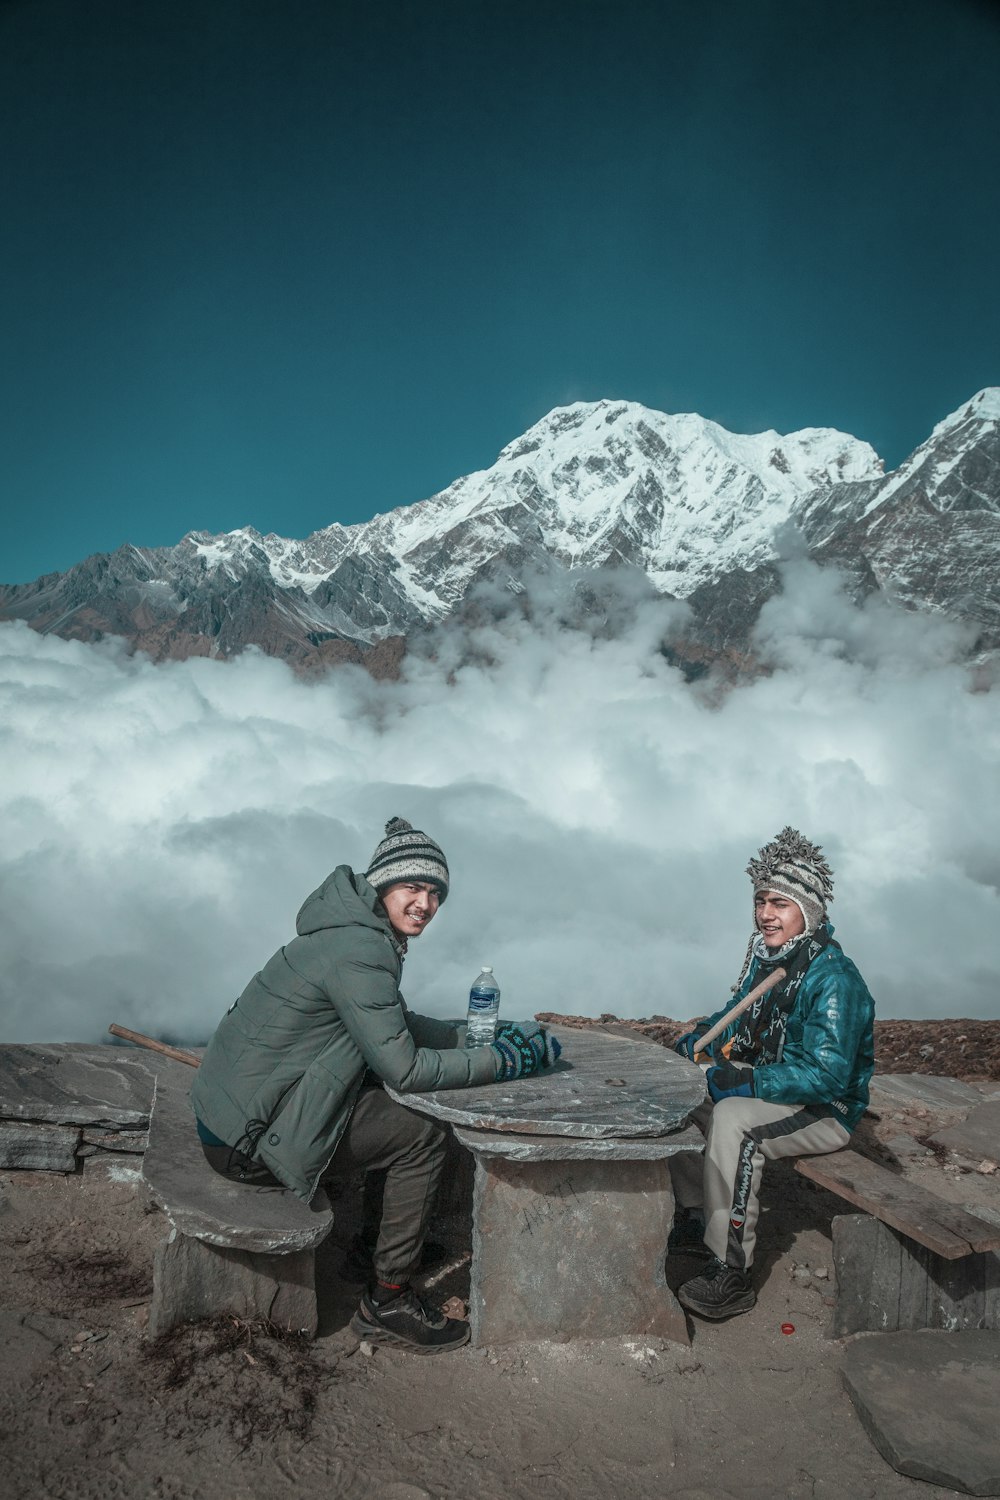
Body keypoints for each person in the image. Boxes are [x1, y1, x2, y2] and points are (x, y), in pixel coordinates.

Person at [190, 816, 561, 1354]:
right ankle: (387, 1298)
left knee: (388, 1105)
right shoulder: (361, 949)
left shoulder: (352, 933)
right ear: (382, 884)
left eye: (435, 893)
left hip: (233, 1115)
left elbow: (398, 1025)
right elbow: (405, 1069)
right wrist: (505, 1062)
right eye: (413, 887)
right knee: (424, 1130)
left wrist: (486, 1037)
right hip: (247, 1144)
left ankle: (377, 1246)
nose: (425, 904)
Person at [669, 827, 874, 1321]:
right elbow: (733, 1017)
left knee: (735, 1121)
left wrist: (749, 1084)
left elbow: (827, 1074)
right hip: (781, 1085)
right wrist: (700, 1040)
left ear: (810, 911)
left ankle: (729, 1270)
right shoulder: (772, 962)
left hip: (826, 1109)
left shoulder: (834, 980)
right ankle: (697, 1217)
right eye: (761, 900)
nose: (765, 914)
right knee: (682, 1091)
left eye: (780, 903)